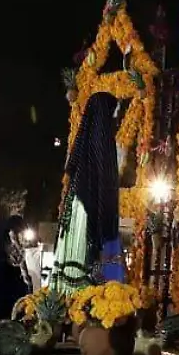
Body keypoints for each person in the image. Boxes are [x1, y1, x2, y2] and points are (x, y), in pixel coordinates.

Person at [59, 92, 125, 282]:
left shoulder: (87, 140)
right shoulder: (102, 137)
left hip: (81, 212)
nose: (115, 117)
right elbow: (104, 180)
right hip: (98, 215)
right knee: (105, 281)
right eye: (113, 112)